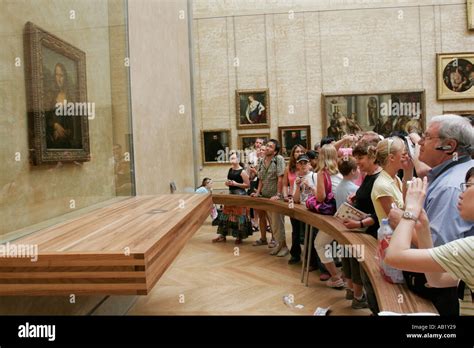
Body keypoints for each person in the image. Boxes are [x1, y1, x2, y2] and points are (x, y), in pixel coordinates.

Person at [389, 114, 474, 315]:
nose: (420, 144)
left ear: (450, 146)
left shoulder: (451, 187)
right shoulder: (448, 176)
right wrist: (424, 228)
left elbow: (440, 251)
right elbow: (437, 277)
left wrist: (404, 219)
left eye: (427, 137)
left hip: (442, 299)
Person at [385, 170, 474, 299]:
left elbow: (393, 257)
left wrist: (410, 211)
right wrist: (423, 229)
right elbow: (437, 279)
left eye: (469, 186)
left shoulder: (470, 247)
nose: (461, 194)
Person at [341, 139, 382, 312]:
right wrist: (355, 197)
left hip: (371, 233)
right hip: (361, 230)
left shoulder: (379, 179)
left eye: (360, 158)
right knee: (355, 266)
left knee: (368, 275)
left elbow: (380, 214)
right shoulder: (369, 176)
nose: (357, 162)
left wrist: (359, 222)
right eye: (355, 158)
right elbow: (366, 199)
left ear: (372, 156)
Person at [335, 156, 367, 308]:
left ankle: (349, 290)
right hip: (354, 230)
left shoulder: (340, 186)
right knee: (355, 263)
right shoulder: (354, 189)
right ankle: (358, 297)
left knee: (346, 260)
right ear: (353, 171)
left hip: (342, 229)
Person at [313, 144, 344, 288]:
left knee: (319, 244)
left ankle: (336, 277)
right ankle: (346, 278)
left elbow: (320, 197)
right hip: (344, 213)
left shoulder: (322, 173)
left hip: (332, 216)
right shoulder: (342, 171)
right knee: (345, 247)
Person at [252, 139, 287, 257]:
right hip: (266, 197)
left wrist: (278, 194)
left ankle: (284, 247)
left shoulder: (279, 159)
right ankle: (278, 245)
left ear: (275, 151)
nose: (267, 148)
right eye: (267, 145)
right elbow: (261, 179)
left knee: (278, 223)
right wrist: (257, 192)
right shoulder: (262, 161)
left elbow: (281, 178)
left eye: (270, 147)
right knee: (272, 224)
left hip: (275, 197)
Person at [371, 137, 413, 224]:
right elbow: (395, 221)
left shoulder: (395, 178)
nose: (407, 156)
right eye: (404, 154)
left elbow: (406, 202)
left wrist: (408, 170)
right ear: (392, 157)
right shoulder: (382, 185)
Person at [212, 153, 251, 244]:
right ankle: (222, 235)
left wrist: (236, 184)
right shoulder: (230, 169)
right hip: (230, 194)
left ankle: (239, 236)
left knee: (239, 216)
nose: (231, 159)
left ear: (238, 159)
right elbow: (230, 181)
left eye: (233, 158)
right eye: (231, 158)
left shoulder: (242, 171)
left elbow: (248, 185)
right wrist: (227, 183)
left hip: (240, 195)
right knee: (225, 215)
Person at [46, 62, 77, 149]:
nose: (59, 79)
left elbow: (72, 124)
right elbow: (45, 118)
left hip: (66, 141)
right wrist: (55, 125)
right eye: (57, 75)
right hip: (52, 139)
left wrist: (64, 132)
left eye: (61, 75)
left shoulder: (70, 98)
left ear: (65, 77)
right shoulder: (50, 96)